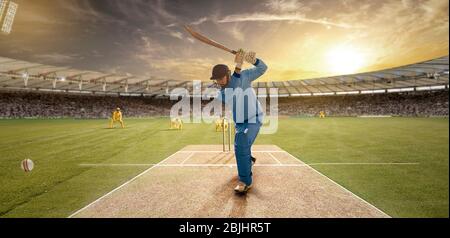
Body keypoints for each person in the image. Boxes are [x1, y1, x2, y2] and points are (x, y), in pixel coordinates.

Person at [211, 49, 268, 194]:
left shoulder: (245, 75)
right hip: (240, 123)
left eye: (220, 78)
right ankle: (247, 161)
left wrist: (253, 60)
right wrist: (238, 64)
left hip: (254, 117)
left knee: (242, 142)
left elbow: (263, 68)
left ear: (227, 74)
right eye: (216, 79)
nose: (218, 81)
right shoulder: (223, 93)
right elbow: (234, 87)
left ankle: (245, 182)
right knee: (238, 148)